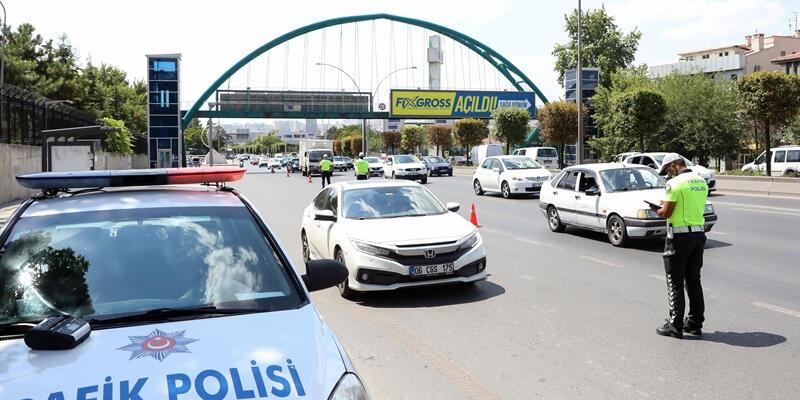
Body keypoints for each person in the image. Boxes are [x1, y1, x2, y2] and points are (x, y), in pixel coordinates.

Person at [652, 153, 709, 339]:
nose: (669, 173)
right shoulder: (700, 181)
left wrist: (657, 209)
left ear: (675, 165)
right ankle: (695, 323)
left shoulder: (674, 184)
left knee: (674, 282)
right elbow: (688, 204)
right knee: (694, 280)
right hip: (698, 235)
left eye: (669, 169)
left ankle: (675, 326)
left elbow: (666, 213)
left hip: (679, 237)